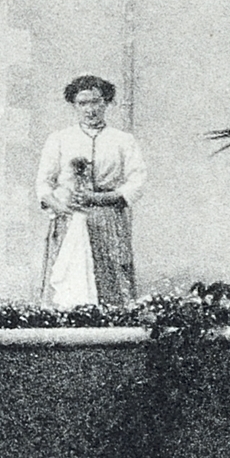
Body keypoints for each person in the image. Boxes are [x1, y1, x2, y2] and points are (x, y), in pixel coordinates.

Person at [36, 74, 147, 308]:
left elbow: (136, 182)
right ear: (74, 106)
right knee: (68, 279)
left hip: (108, 219)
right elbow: (43, 184)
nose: (90, 109)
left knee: (112, 276)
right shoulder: (59, 139)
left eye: (96, 102)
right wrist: (61, 207)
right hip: (69, 218)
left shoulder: (122, 140)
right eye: (82, 103)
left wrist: (101, 198)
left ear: (106, 103)